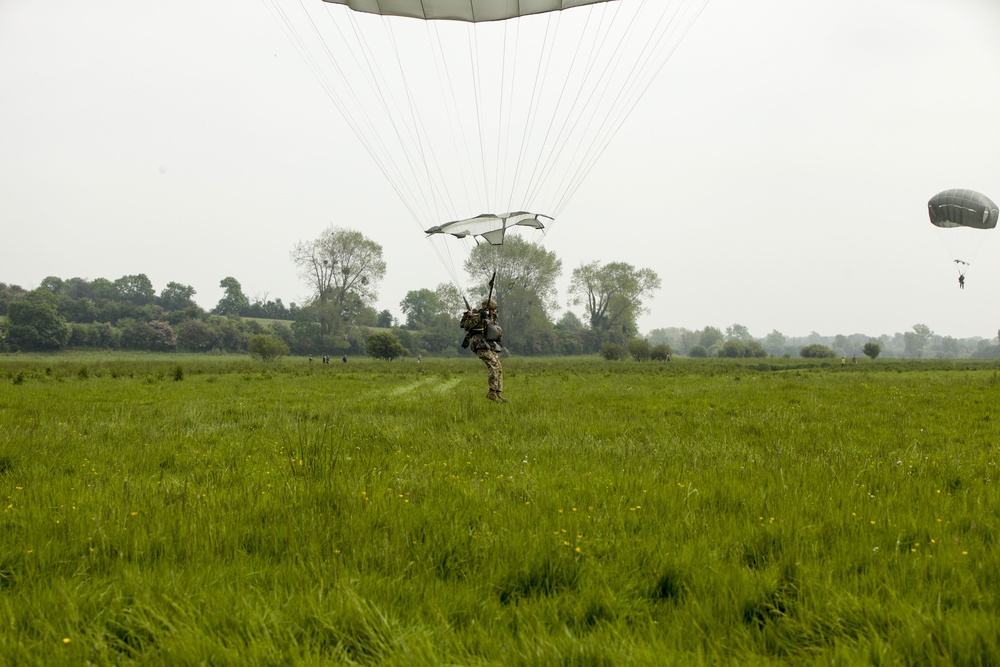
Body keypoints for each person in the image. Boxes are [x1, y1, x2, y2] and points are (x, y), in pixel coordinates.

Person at [461, 297, 506, 403]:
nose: (494, 311)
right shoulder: (479, 315)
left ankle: (496, 393)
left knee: (498, 366)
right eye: (493, 309)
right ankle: (491, 392)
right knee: (494, 365)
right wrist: (472, 315)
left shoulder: (491, 317)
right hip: (480, 345)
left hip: (489, 345)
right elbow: (467, 326)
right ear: (488, 308)